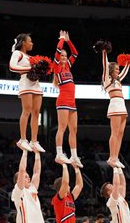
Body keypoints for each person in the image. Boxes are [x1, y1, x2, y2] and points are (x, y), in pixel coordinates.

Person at [100, 44, 130, 168]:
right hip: (115, 105)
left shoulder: (118, 80)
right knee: (114, 133)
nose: (118, 71)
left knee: (120, 133)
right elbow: (105, 65)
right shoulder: (107, 79)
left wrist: (128, 62)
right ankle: (111, 157)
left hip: (122, 106)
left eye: (118, 69)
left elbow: (124, 72)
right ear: (111, 70)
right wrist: (104, 52)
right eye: (116, 69)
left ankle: (116, 157)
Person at [9, 33, 45, 152]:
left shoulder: (30, 57)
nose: (32, 43)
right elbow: (12, 67)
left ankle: (34, 141)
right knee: (27, 111)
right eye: (30, 41)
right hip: (25, 82)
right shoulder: (17, 53)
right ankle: (23, 139)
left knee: (36, 113)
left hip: (36, 84)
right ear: (24, 43)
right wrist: (30, 69)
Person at [53, 30, 82, 167]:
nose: (64, 57)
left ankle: (74, 155)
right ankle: (59, 153)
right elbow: (57, 50)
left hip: (72, 102)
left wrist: (69, 41)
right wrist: (62, 39)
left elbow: (75, 53)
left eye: (65, 56)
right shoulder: (57, 68)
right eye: (62, 56)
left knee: (74, 129)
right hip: (63, 101)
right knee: (62, 128)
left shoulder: (68, 67)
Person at [11, 144, 44, 223]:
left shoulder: (32, 188)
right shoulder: (18, 191)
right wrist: (25, 151)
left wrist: (37, 154)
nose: (29, 178)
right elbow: (22, 170)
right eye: (26, 177)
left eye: (28, 176)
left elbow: (37, 172)